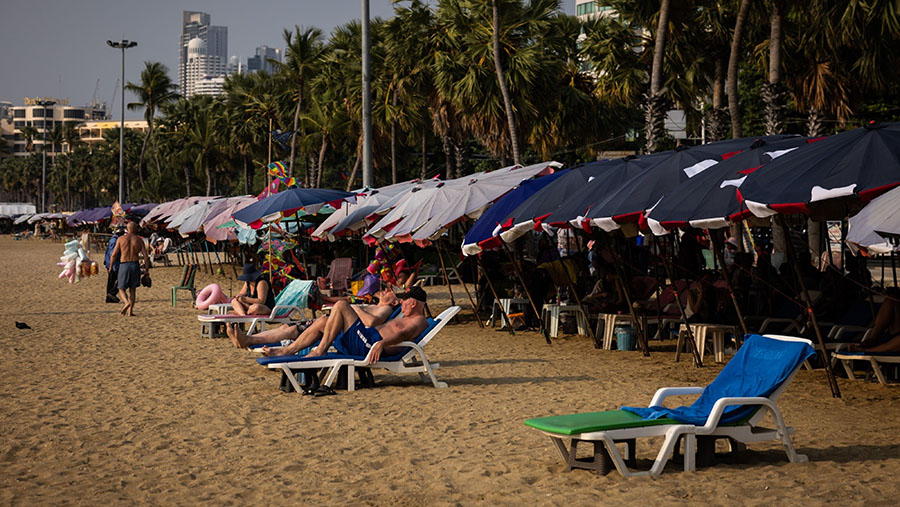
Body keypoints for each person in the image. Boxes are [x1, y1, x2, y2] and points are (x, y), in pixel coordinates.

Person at [266, 286, 429, 364]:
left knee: (341, 306)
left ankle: (321, 350)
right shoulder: (406, 316)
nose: (402, 302)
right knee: (324, 321)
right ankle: (287, 350)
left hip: (370, 346)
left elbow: (402, 334)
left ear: (413, 303)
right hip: (367, 340)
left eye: (405, 300)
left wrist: (382, 343)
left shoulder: (418, 321)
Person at [227, 289, 401, 355]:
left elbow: (370, 322)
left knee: (290, 330)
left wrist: (353, 308)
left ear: (394, 302)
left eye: (391, 291)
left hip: (348, 335)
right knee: (288, 327)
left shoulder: (385, 309)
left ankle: (250, 340)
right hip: (337, 326)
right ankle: (249, 339)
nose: (386, 290)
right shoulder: (373, 304)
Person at [110, 222, 150, 316]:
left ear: (127, 230)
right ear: (136, 230)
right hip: (135, 265)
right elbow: (146, 256)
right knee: (133, 289)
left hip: (124, 264)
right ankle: (130, 312)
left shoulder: (120, 239)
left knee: (121, 288)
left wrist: (111, 266)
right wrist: (147, 269)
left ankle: (126, 302)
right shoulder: (139, 240)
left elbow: (114, 254)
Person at [103, 226, 125, 303]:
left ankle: (109, 298)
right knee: (121, 280)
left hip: (110, 263)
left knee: (111, 281)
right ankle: (112, 293)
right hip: (114, 263)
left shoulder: (113, 239)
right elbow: (113, 254)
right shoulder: (115, 241)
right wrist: (112, 265)